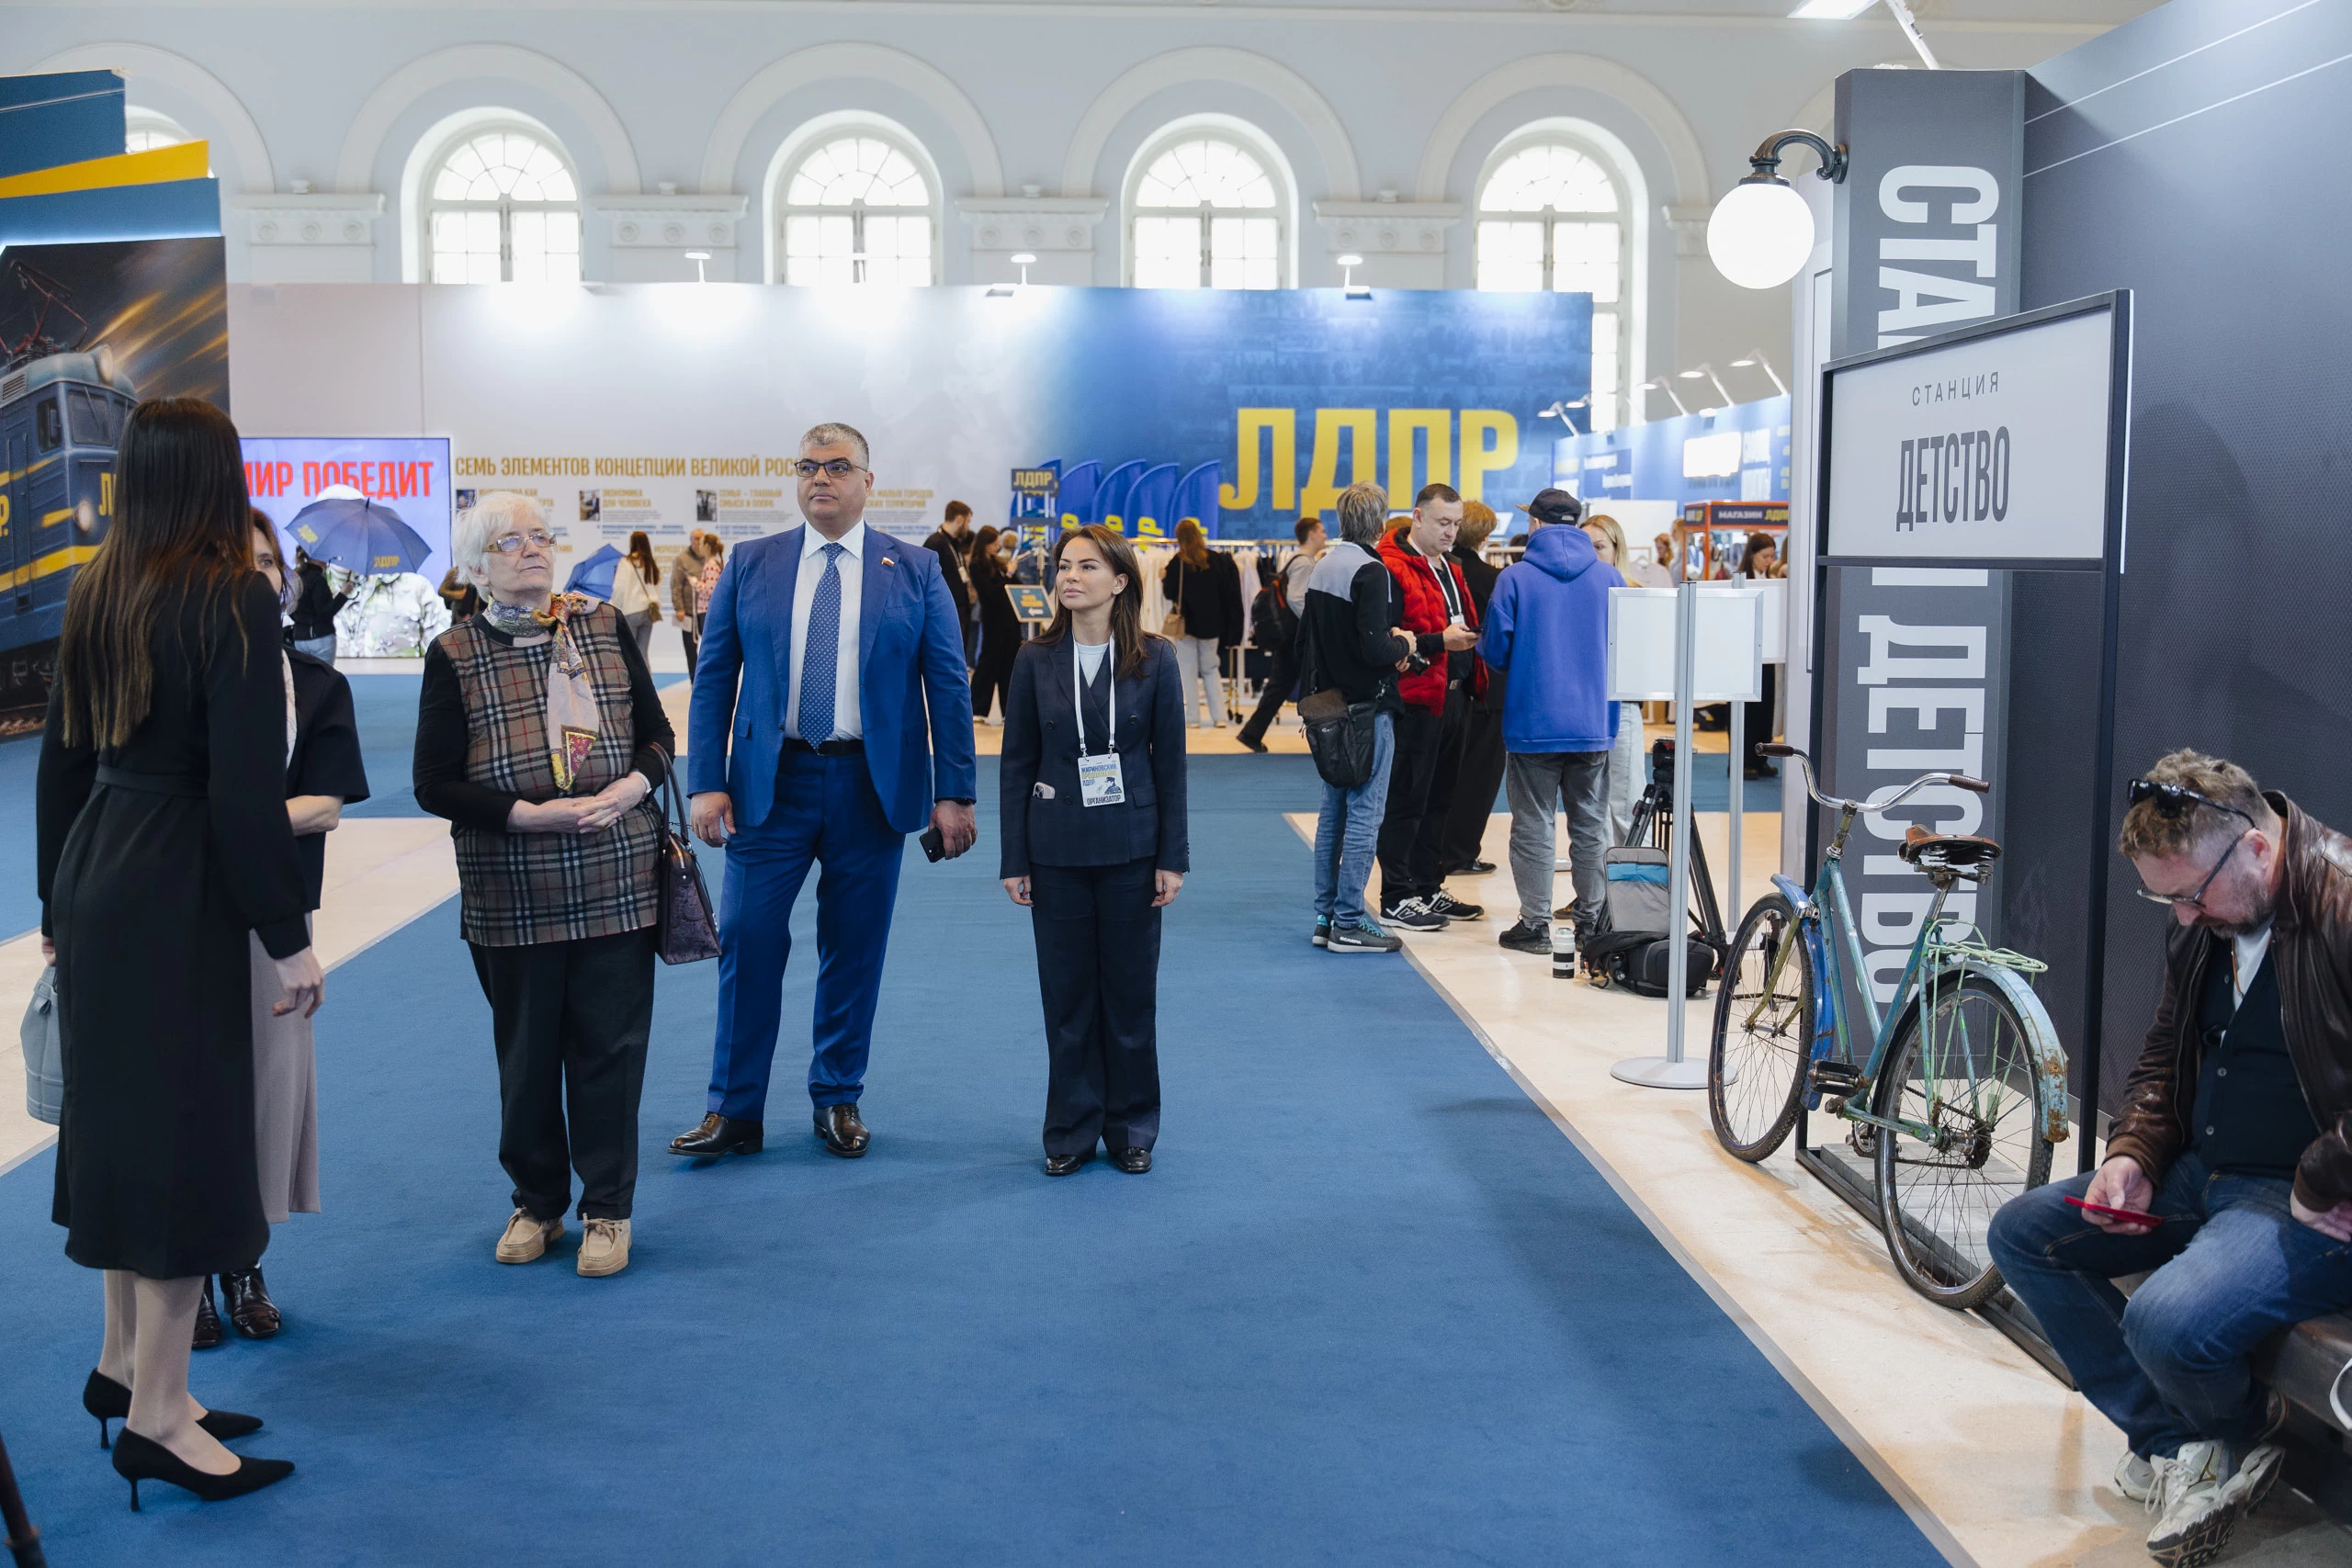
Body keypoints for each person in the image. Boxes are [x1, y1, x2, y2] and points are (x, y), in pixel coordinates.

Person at [38, 397, 311, 1506]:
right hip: (174, 886)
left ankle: (125, 1370)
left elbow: (62, 759)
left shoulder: (98, 588)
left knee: (119, 1130)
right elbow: (243, 797)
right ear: (217, 476)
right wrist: (288, 939)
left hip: (96, 875)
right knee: (186, 1147)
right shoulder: (232, 594)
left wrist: (53, 901)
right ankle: (157, 1415)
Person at [1987, 751, 2352, 1567]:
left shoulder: (2342, 901)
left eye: (2192, 894)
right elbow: (2165, 1050)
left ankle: (2237, 1436)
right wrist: (2136, 1149)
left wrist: (2323, 1174)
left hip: (2301, 1199)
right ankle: (2186, 1443)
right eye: (2168, 899)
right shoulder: (2211, 915)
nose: (2184, 916)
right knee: (2024, 1235)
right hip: (2202, 1171)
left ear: (2256, 847)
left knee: (2163, 1322)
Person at [673, 423, 977, 1164]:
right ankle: (734, 1108)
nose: (821, 478)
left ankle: (837, 1096)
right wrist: (705, 781)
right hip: (768, 783)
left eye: (838, 466)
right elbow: (714, 679)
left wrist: (956, 792)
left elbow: (947, 684)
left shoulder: (915, 570)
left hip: (871, 786)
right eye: (808, 466)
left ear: (868, 481)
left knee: (854, 944)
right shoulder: (751, 563)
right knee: (746, 936)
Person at [413, 491, 673, 1280]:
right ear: (476, 565)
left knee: (609, 1051)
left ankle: (608, 1208)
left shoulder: (602, 626)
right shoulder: (454, 652)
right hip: (512, 887)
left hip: (615, 877)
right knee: (525, 1060)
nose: (531, 549)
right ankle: (537, 1201)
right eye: (509, 541)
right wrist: (525, 816)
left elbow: (658, 735)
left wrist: (631, 788)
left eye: (539, 535)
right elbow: (433, 782)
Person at [202, 510, 370, 1347]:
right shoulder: (186, 675)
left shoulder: (318, 686)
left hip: (276, 912)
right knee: (191, 1093)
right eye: (238, 559)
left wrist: (225, 820)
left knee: (268, 1092)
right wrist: (263, 815)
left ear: (288, 579)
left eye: (268, 560)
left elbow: (328, 806)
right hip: (181, 911)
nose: (257, 573)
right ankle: (187, 1275)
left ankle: (244, 1263)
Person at [998, 525, 1187, 1176]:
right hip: (1055, 849)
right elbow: (1015, 764)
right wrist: (1015, 859)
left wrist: (1172, 857)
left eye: (1086, 566)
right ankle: (1071, 1130)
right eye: (1063, 566)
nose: (1069, 576)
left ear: (1121, 581)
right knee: (1068, 999)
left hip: (1133, 847)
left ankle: (1131, 1127)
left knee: (1130, 997)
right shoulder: (1033, 658)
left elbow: (1171, 766)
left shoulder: (1156, 658)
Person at [1478, 488, 1616, 959]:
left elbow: (1496, 650)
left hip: (1533, 721)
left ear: (1535, 524)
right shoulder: (1609, 577)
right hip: (1593, 720)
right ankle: (1591, 923)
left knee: (1534, 823)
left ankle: (1535, 924)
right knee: (1591, 824)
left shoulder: (1514, 578)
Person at [1299, 481, 1419, 954]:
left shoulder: (1323, 565)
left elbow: (1307, 642)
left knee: (1333, 813)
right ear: (1381, 521)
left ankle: (1327, 916)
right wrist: (1405, 643)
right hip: (1368, 710)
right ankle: (1349, 920)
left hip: (1330, 709)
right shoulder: (1372, 571)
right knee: (1366, 814)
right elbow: (1375, 648)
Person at [1374, 484, 1486, 930]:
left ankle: (1427, 885)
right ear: (1417, 517)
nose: (1450, 531)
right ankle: (1396, 894)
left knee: (1441, 798)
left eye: (1456, 524)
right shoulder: (1391, 566)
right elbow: (1388, 639)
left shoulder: (1451, 566)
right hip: (1415, 699)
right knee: (1407, 798)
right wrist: (1441, 641)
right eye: (1442, 522)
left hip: (1455, 694)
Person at [1438, 500, 1507, 877]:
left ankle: (1436, 848)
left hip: (1447, 682)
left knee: (1446, 770)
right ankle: (1460, 851)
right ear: (1485, 534)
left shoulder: (1442, 572)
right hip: (1489, 686)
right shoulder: (1494, 579)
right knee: (1480, 774)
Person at [1579, 513, 1645, 845]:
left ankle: (1637, 875)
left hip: (1622, 706)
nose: (1592, 554)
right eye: (1586, 546)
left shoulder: (1633, 593)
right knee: (1593, 809)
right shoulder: (1575, 593)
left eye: (1599, 546)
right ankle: (1599, 879)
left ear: (1617, 549)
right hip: (1585, 708)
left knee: (1627, 802)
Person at [1236, 514, 1325, 753]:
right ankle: (1321, 736)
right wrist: (1313, 623)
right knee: (1313, 685)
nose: (1325, 536)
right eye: (1321, 531)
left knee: (1280, 686)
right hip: (1296, 636)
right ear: (1312, 534)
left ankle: (1252, 732)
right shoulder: (1304, 563)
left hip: (1288, 636)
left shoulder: (1298, 560)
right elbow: (1296, 598)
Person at [1159, 520, 1244, 728]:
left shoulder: (1178, 562)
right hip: (1212, 624)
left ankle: (1193, 718)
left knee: (1187, 671)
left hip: (1186, 625)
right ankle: (1219, 717)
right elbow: (1226, 594)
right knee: (1211, 670)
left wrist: (1163, 578)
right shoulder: (1215, 559)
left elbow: (1170, 593)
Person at [1738, 532, 1782, 780]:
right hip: (1744, 657)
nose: (1769, 561)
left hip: (1768, 654)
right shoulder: (1740, 580)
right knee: (1746, 712)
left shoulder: (1773, 581)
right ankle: (1743, 761)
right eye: (1765, 556)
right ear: (1752, 554)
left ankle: (1762, 758)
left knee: (1766, 708)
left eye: (1772, 556)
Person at [970, 524, 1022, 724]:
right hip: (993, 621)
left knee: (1009, 664)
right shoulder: (977, 566)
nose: (997, 547)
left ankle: (1009, 711)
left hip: (1010, 621)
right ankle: (978, 708)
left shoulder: (998, 562)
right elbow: (991, 593)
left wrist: (1011, 572)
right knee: (988, 662)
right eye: (994, 544)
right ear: (985, 544)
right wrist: (1007, 575)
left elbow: (1015, 587)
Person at [925, 501, 978, 667]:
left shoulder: (955, 543)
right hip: (945, 614)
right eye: (968, 522)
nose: (968, 527)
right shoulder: (935, 543)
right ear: (960, 520)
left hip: (960, 610)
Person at [286, 547, 346, 663]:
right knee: (324, 674)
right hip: (321, 638)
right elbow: (325, 613)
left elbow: (290, 609)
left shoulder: (296, 577)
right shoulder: (318, 580)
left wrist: (302, 620)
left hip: (300, 638)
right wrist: (343, 595)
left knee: (304, 674)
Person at [613, 530, 662, 657]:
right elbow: (657, 585)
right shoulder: (651, 563)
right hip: (649, 611)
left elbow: (619, 588)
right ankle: (646, 671)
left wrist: (614, 606)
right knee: (643, 653)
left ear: (632, 543)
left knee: (629, 654)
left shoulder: (626, 562)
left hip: (631, 610)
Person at [671, 531, 711, 675]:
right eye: (696, 539)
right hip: (688, 610)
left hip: (706, 610)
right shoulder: (682, 559)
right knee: (690, 648)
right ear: (691, 540)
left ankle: (708, 677)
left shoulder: (709, 559)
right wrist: (679, 608)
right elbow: (676, 585)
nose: (698, 542)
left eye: (701, 539)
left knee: (709, 646)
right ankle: (694, 681)